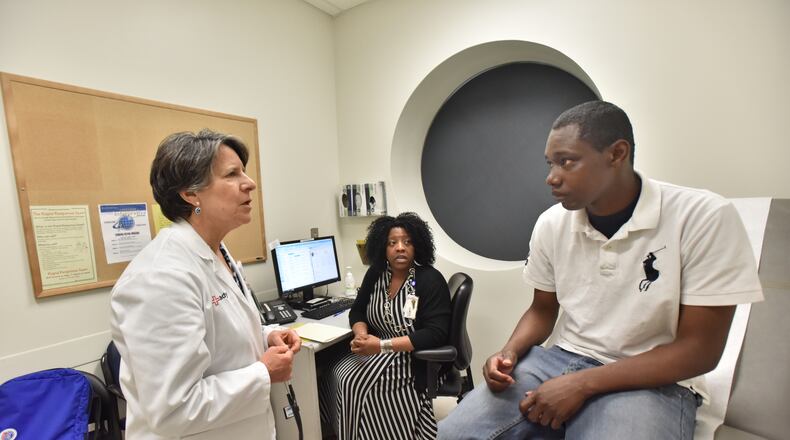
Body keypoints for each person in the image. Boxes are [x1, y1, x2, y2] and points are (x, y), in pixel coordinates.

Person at [438, 101, 763, 439]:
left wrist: (582, 384)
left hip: (651, 378)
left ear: (616, 154)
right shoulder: (552, 224)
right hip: (557, 361)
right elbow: (542, 310)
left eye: (567, 162)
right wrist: (509, 352)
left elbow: (699, 350)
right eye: (550, 163)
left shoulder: (702, 217)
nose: (551, 177)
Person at [110, 129, 301, 440]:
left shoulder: (215, 252)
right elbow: (174, 409)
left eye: (244, 171)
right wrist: (263, 373)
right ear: (191, 194)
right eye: (232, 173)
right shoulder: (160, 278)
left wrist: (267, 335)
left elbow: (219, 331)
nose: (250, 182)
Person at [319, 212, 452, 439]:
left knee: (353, 381)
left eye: (407, 242)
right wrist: (361, 334)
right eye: (393, 243)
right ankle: (345, 431)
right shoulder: (376, 274)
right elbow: (358, 310)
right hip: (376, 349)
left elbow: (435, 334)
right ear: (383, 247)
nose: (400, 248)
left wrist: (382, 345)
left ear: (417, 246)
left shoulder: (430, 279)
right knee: (333, 369)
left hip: (412, 357)